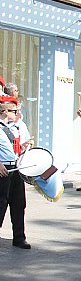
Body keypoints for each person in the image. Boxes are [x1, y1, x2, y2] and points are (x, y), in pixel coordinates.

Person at [0, 96, 31, 249]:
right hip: (2, 170)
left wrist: (25, 146)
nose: (17, 113)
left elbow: (13, 150)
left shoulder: (16, 127)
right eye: (14, 111)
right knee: (1, 204)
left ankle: (19, 238)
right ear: (5, 111)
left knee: (19, 204)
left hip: (16, 168)